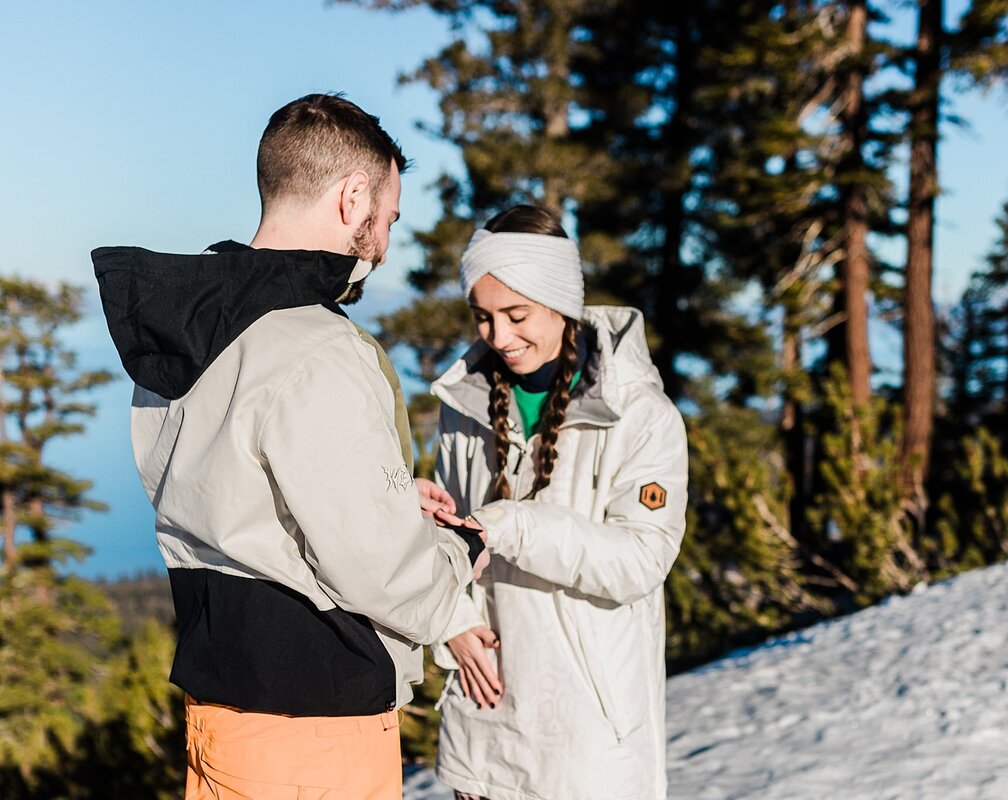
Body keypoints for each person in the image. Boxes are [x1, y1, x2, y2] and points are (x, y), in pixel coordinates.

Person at [92, 93, 487, 799]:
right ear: (353, 196)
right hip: (315, 722)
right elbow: (374, 560)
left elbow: (227, 489)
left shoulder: (185, 330)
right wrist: (454, 591)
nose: (385, 243)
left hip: (223, 712)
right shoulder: (318, 347)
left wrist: (387, 492)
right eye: (388, 218)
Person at [422, 205, 688, 800]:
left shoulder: (640, 415)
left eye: (517, 315)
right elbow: (445, 540)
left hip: (588, 755)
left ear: (562, 302)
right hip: (483, 742)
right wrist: (455, 623)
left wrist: (512, 526)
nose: (498, 337)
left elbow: (640, 560)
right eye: (483, 317)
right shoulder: (464, 403)